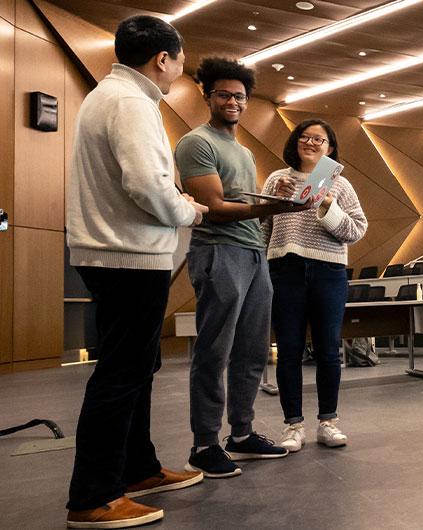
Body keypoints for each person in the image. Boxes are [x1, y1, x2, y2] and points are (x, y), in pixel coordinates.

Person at [65, 15, 209, 529]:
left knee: (136, 369)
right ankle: (92, 497)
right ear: (163, 59)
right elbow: (147, 184)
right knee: (121, 375)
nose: (180, 72)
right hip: (127, 255)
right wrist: (188, 209)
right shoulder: (131, 102)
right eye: (181, 62)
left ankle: (137, 468)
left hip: (116, 252)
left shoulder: (113, 95)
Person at [175, 58, 307, 478]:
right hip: (218, 252)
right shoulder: (197, 143)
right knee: (215, 351)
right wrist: (270, 206)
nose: (232, 102)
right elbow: (213, 208)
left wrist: (276, 197)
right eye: (224, 94)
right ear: (207, 95)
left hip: (253, 253)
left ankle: (242, 434)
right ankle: (204, 444)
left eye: (239, 96)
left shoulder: (245, 151)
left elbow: (243, 203)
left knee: (252, 351)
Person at [261, 119, 367, 452]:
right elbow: (262, 227)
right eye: (304, 137)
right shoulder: (277, 179)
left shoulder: (341, 184)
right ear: (294, 143)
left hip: (328, 271)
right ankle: (293, 426)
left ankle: (328, 422)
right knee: (289, 350)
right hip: (284, 269)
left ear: (330, 148)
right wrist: (274, 204)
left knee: (327, 350)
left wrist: (326, 205)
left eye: (319, 139)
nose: (310, 143)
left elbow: (355, 230)